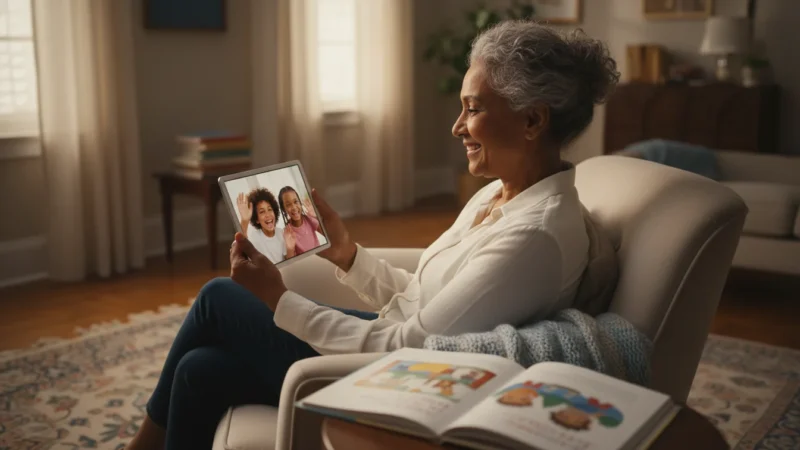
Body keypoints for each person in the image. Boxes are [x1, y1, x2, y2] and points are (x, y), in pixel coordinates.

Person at [126, 20, 619, 449]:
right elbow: (425, 300)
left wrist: (280, 302)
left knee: (218, 297)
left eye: (472, 109)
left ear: (532, 120)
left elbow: (411, 348)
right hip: (391, 348)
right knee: (197, 371)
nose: (456, 126)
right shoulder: (501, 195)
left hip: (400, 381)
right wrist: (347, 256)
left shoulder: (535, 236)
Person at [236, 188, 294, 263]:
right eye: (262, 212)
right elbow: (242, 247)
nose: (268, 215)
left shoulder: (281, 233)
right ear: (257, 219)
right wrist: (245, 220)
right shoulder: (254, 237)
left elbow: (289, 261)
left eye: (269, 209)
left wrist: (290, 248)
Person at [278, 186, 322, 255]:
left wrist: (316, 217)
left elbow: (328, 235)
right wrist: (290, 249)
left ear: (300, 202)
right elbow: (291, 260)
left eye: (295, 202)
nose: (294, 207)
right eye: (288, 205)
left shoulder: (309, 219)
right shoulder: (287, 233)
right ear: (284, 209)